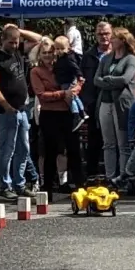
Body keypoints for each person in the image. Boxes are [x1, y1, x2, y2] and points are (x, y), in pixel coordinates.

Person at [0, 24, 42, 199]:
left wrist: (18, 30)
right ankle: (5, 185)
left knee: (24, 148)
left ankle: (19, 183)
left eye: (16, 42)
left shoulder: (18, 53)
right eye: (11, 42)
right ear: (3, 41)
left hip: (23, 109)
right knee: (7, 149)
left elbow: (38, 39)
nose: (14, 45)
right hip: (8, 111)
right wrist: (6, 106)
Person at [32, 42, 81, 192]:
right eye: (44, 52)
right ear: (39, 54)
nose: (48, 55)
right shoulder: (36, 71)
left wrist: (77, 88)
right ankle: (47, 187)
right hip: (49, 113)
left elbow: (77, 81)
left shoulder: (62, 65)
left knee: (73, 150)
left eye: (50, 52)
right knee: (50, 151)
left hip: (67, 112)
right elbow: (41, 95)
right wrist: (62, 94)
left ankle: (80, 185)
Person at [93, 28, 135, 181]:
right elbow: (96, 80)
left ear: (122, 40)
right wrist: (111, 82)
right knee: (108, 143)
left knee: (123, 143)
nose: (110, 40)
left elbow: (125, 79)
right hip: (105, 103)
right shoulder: (106, 58)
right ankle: (109, 176)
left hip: (122, 104)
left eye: (114, 38)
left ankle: (123, 176)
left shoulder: (130, 59)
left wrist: (107, 80)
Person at [47, 34, 85, 190]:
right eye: (56, 49)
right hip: (63, 84)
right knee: (71, 98)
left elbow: (76, 69)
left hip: (67, 82)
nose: (58, 51)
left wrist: (80, 77)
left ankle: (78, 114)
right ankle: (79, 112)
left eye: (61, 48)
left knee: (71, 99)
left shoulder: (68, 58)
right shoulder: (59, 60)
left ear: (68, 48)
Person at [79, 22, 113, 177]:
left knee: (114, 138)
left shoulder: (118, 54)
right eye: (100, 34)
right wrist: (86, 102)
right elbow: (83, 80)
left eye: (106, 33)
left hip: (112, 100)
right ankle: (92, 173)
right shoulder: (88, 56)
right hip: (93, 102)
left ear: (111, 34)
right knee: (94, 139)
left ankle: (114, 172)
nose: (103, 37)